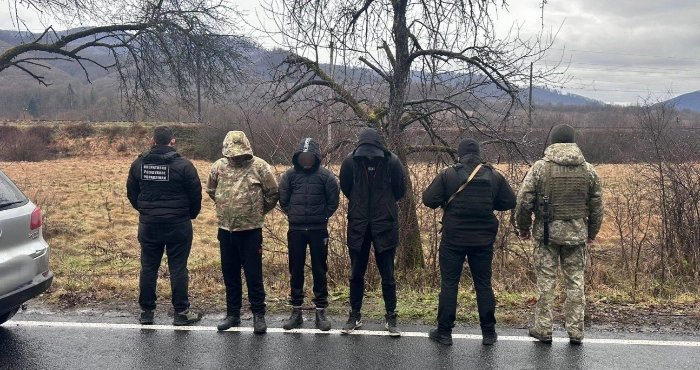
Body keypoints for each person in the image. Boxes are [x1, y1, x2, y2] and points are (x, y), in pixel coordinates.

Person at [515, 124, 604, 345]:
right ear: (573, 142)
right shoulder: (588, 170)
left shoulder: (539, 168)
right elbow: (597, 205)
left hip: (546, 235)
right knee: (576, 283)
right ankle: (576, 331)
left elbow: (524, 201)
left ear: (553, 142)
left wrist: (524, 228)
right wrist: (591, 232)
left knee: (546, 283)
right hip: (577, 235)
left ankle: (543, 329)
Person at [422, 138, 516, 345]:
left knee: (449, 284)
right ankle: (489, 333)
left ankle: (444, 333)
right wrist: (489, 205)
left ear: (460, 154)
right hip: (483, 241)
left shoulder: (448, 174)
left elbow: (429, 200)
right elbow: (510, 201)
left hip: (453, 239)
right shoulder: (493, 175)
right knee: (483, 284)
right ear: (479, 154)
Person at [126, 125, 203, 326]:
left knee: (148, 267)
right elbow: (196, 196)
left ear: (152, 141)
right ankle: (181, 312)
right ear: (172, 142)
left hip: (149, 225)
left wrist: (146, 212)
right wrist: (189, 215)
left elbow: (132, 194)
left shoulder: (138, 164)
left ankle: (147, 312)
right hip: (179, 225)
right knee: (178, 268)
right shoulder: (185, 166)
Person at [206, 131, 279, 334]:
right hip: (226, 230)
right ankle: (233, 314)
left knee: (253, 275)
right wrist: (225, 208)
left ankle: (258, 315)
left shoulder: (260, 166)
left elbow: (273, 194)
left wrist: (256, 211)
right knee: (230, 274)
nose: (236, 157)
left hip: (251, 231)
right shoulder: (218, 166)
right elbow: (211, 191)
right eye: (232, 154)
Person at [338, 128, 406, 336]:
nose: (369, 156)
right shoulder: (350, 162)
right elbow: (346, 187)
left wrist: (382, 206)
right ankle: (355, 314)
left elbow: (400, 190)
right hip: (358, 224)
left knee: (388, 274)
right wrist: (360, 207)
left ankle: (391, 315)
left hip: (385, 223)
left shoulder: (392, 162)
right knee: (356, 273)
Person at [278, 138, 340, 331]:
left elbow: (333, 202)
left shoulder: (326, 177)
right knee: (295, 269)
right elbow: (283, 200)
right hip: (296, 229)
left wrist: (320, 216)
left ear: (315, 158)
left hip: (318, 229)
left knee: (319, 269)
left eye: (309, 157)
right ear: (298, 157)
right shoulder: (289, 176)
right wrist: (295, 215)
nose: (306, 160)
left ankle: (320, 311)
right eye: (303, 157)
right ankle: (296, 311)